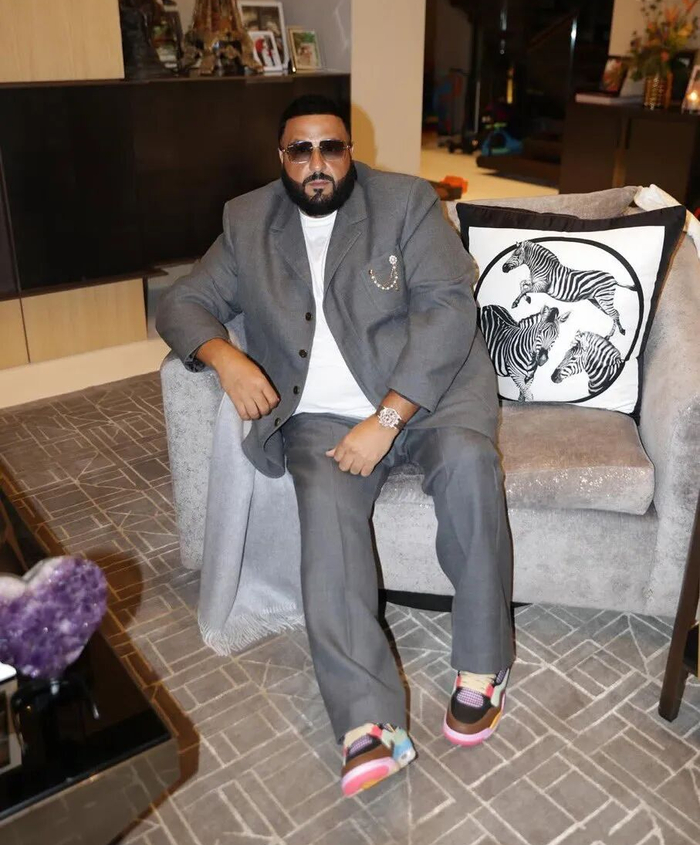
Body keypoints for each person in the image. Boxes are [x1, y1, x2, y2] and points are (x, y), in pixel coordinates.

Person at [155, 94, 515, 798]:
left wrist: (387, 419)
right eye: (302, 150)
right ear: (281, 157)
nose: (318, 163)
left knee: (470, 468)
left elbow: (448, 308)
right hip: (320, 416)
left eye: (332, 148)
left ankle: (483, 660)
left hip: (426, 398)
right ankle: (368, 722)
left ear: (351, 151)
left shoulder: (406, 202)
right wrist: (226, 358)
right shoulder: (247, 220)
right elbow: (182, 303)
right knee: (326, 520)